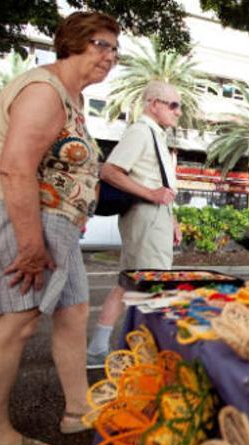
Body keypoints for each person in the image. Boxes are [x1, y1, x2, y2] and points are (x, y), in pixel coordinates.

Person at [0, 12, 120, 445]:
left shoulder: (71, 96)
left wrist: (76, 210)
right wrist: (31, 244)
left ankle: (78, 408)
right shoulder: (44, 91)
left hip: (58, 221)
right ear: (72, 41)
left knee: (73, 311)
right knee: (17, 321)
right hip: (27, 216)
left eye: (115, 50)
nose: (110, 56)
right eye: (100, 44)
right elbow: (15, 167)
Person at [85, 81, 182, 366]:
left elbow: (160, 182)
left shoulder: (155, 135)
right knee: (153, 286)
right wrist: (151, 194)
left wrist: (171, 218)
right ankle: (148, 353)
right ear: (154, 104)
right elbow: (110, 171)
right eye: (173, 105)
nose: (178, 112)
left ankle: (98, 349)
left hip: (155, 215)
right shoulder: (141, 132)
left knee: (127, 283)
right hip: (146, 216)